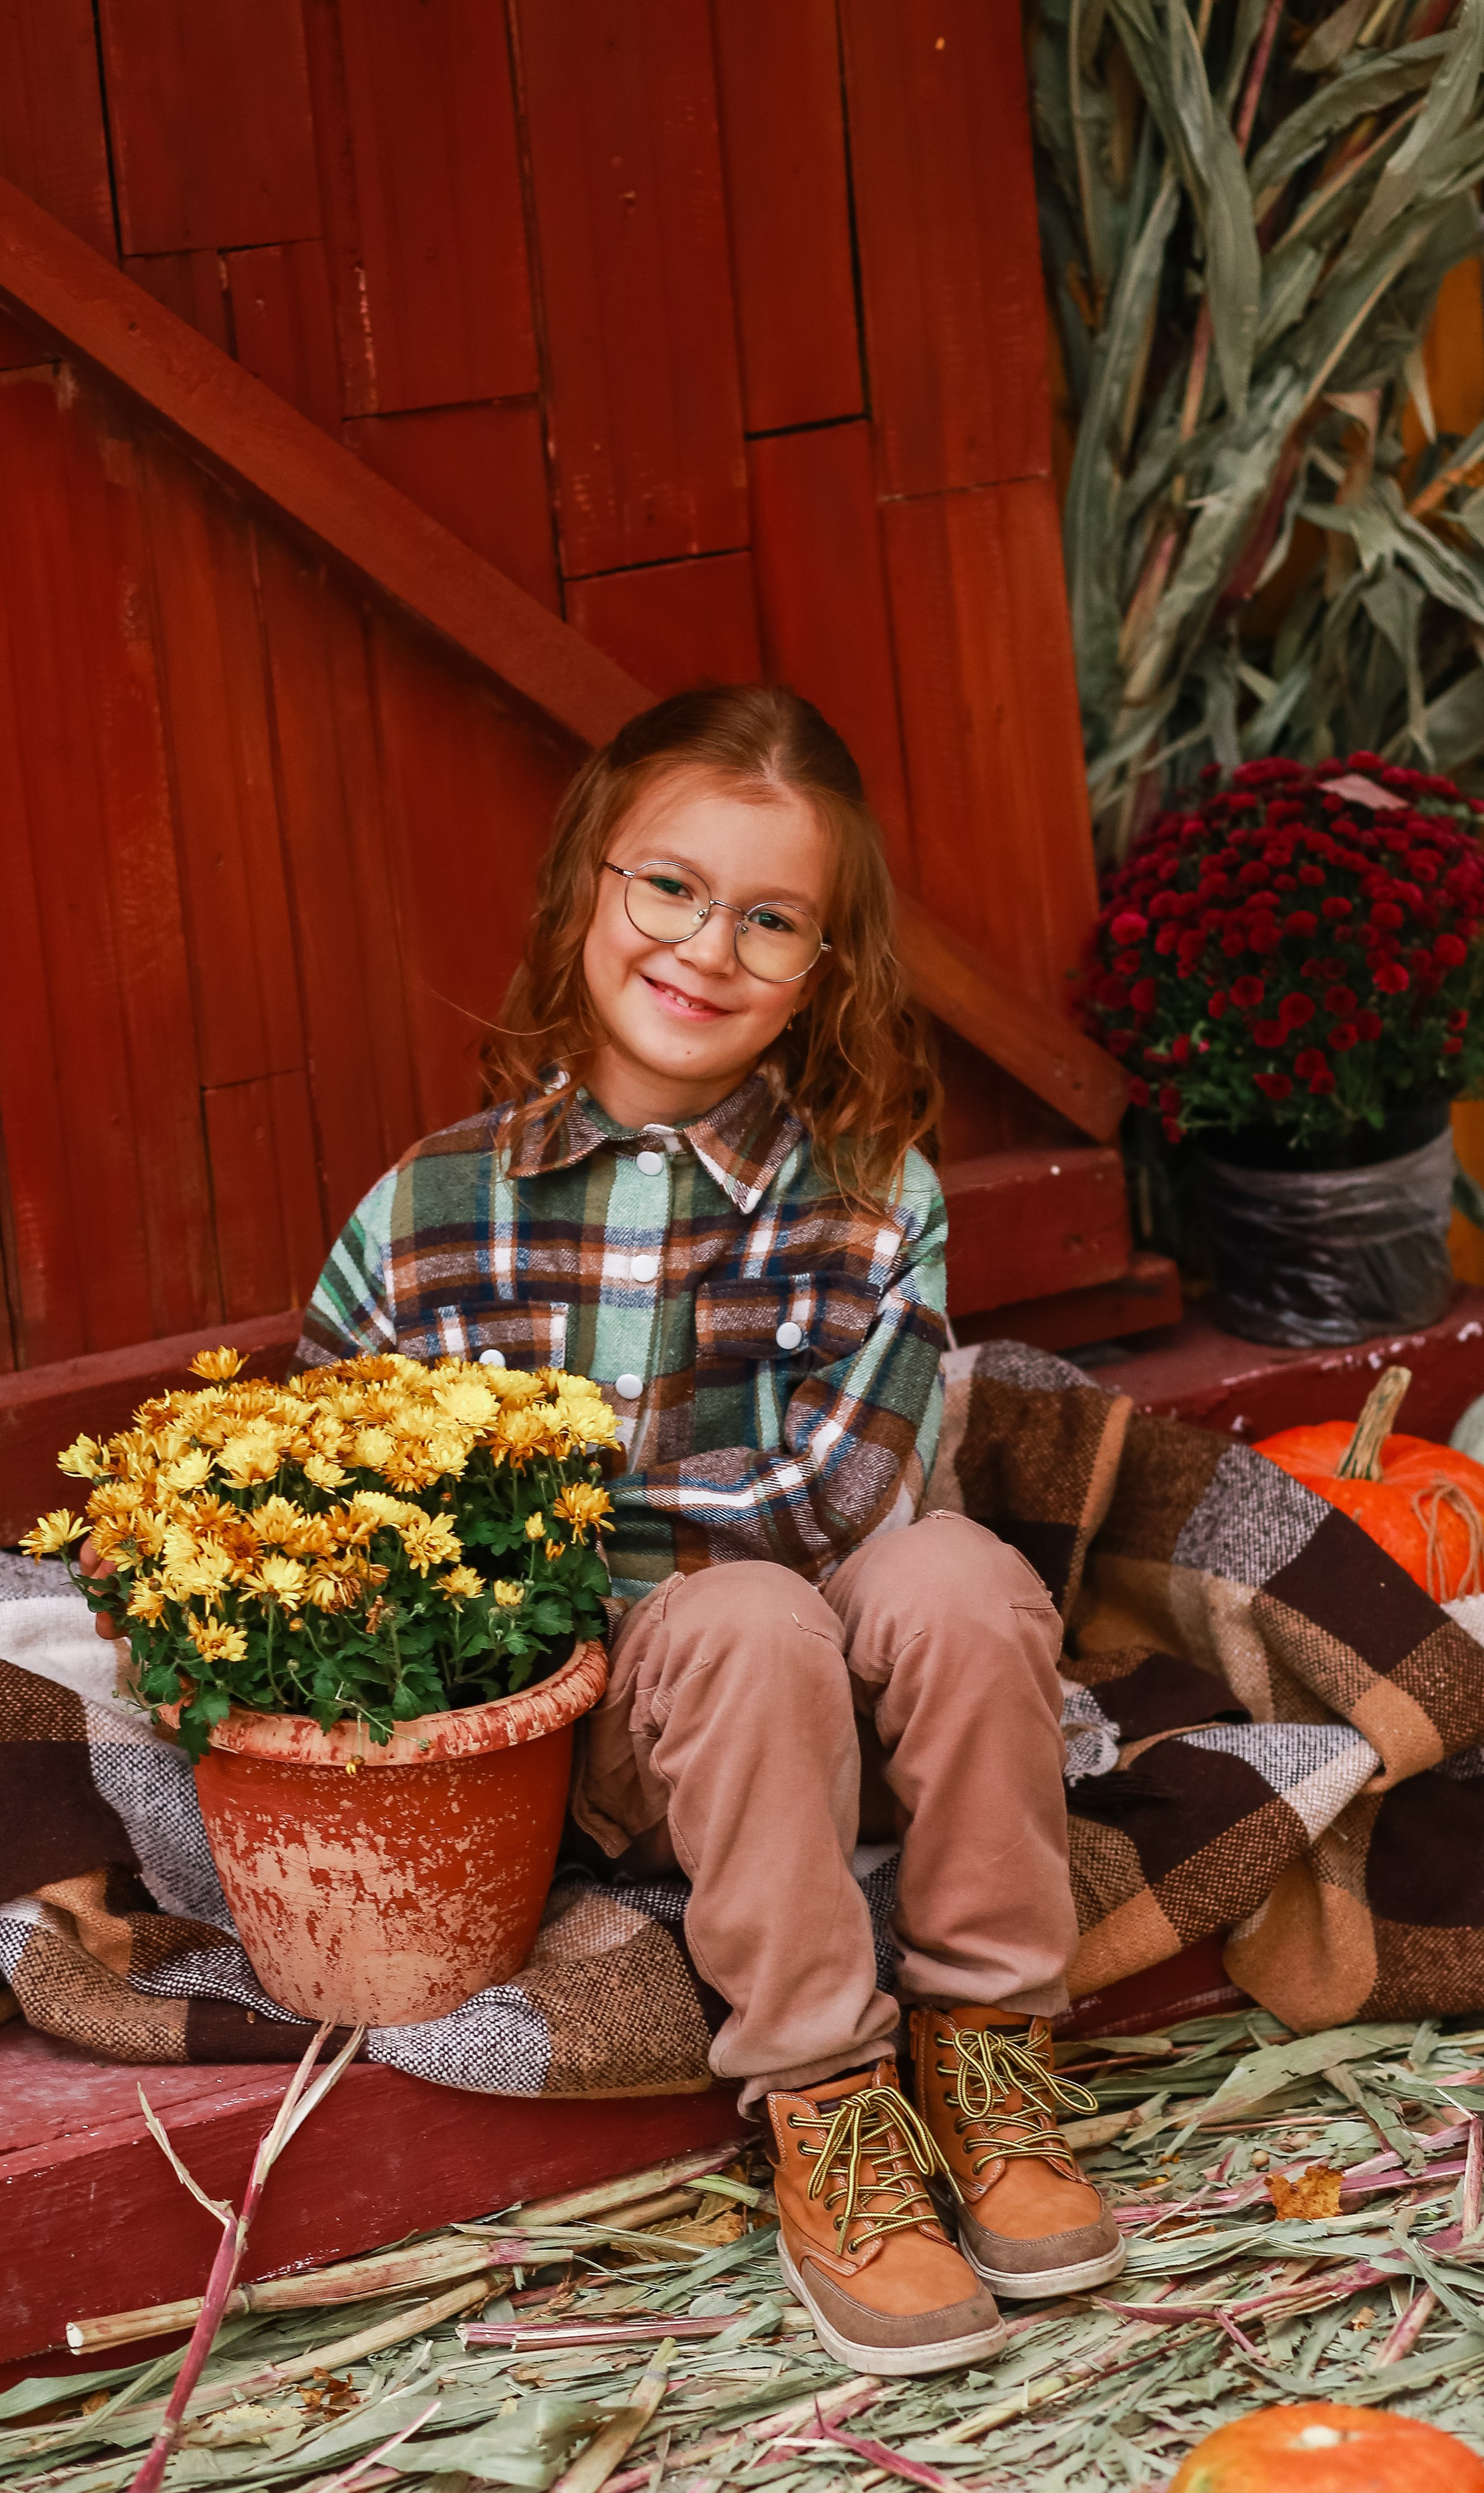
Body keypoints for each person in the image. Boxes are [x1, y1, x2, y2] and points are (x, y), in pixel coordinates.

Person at [295, 685, 1124, 2377]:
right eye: (666, 889)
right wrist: (511, 1549)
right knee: (741, 1619)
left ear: (820, 968)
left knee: (959, 1571)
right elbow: (355, 1525)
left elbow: (836, 1500)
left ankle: (985, 2045)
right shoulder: (424, 1216)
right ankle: (825, 2098)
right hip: (614, 1734)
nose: (705, 949)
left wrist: (532, 1481)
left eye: (769, 920)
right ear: (587, 895)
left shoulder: (873, 1194)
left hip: (857, 1715)